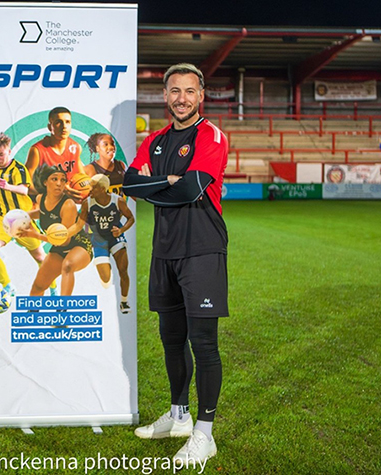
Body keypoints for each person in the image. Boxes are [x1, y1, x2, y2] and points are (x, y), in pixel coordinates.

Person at [122, 63, 229, 469]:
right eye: (174, 91)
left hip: (202, 249)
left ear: (201, 96)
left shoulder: (211, 136)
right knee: (171, 339)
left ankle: (205, 433)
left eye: (189, 91)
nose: (182, 98)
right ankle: (179, 415)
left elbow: (191, 188)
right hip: (164, 250)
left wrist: (162, 184)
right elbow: (129, 184)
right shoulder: (155, 140)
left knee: (204, 343)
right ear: (165, 96)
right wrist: (167, 182)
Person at [0, 133, 56, 299]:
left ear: (9, 151)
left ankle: (53, 289)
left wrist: (7, 186)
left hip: (21, 220)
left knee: (40, 257)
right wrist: (0, 196)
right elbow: (0, 191)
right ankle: (8, 287)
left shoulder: (18, 169)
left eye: (1, 154)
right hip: (2, 218)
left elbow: (24, 189)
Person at [20, 165, 92, 296]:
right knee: (38, 286)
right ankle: (33, 309)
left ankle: (63, 306)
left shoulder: (68, 205)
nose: (59, 183)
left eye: (63, 180)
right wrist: (24, 216)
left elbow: (63, 241)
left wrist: (34, 235)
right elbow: (43, 213)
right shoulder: (41, 199)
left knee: (67, 265)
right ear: (45, 182)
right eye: (54, 179)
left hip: (79, 244)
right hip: (59, 248)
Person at [73, 174, 134, 313]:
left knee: (123, 270)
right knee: (106, 279)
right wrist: (65, 234)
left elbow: (131, 218)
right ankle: (106, 263)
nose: (90, 190)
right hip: (99, 240)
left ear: (102, 189)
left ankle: (124, 302)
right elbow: (78, 225)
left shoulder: (117, 200)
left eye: (93, 187)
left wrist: (121, 230)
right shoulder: (87, 203)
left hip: (115, 238)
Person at [25, 107, 85, 188]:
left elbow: (82, 177)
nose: (64, 126)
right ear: (50, 127)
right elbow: (26, 184)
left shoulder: (76, 147)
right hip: (45, 194)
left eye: (67, 122)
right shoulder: (37, 151)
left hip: (69, 193)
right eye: (58, 122)